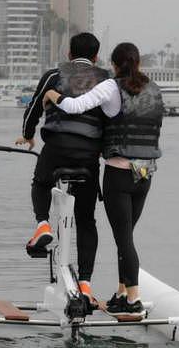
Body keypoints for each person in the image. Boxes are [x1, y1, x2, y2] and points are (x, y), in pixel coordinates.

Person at [43, 42, 164, 319]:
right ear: (139, 64)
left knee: (124, 240)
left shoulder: (112, 86)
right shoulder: (153, 89)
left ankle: (133, 299)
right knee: (127, 238)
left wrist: (51, 93)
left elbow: (74, 106)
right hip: (145, 174)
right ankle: (122, 293)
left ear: (114, 64)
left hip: (119, 174)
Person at [15, 33, 109, 306]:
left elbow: (33, 107)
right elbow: (112, 118)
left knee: (41, 182)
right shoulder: (106, 79)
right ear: (95, 57)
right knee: (86, 218)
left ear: (69, 53)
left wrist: (28, 134)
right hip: (89, 155)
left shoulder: (53, 75)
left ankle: (43, 225)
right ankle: (86, 285)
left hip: (56, 147)